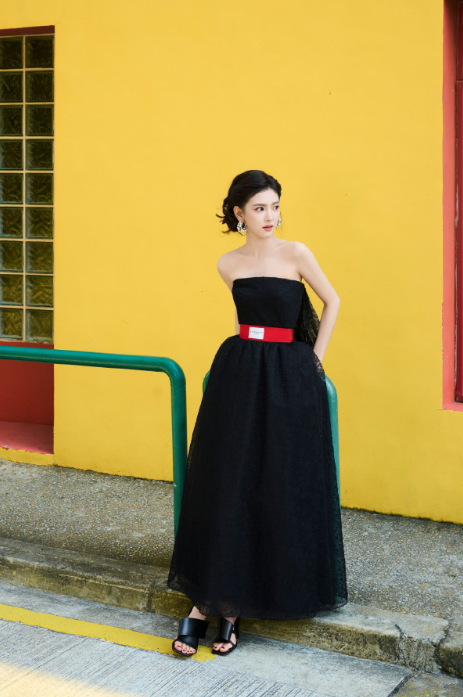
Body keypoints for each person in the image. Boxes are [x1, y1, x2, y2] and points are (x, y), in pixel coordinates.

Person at [167, 169, 348, 656]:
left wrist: (314, 361)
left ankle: (229, 611)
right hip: (239, 371)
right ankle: (212, 606)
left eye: (275, 206)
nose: (270, 216)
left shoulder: (296, 253)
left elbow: (332, 301)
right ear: (239, 213)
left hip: (289, 375)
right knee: (230, 482)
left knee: (276, 480)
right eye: (260, 208)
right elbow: (242, 322)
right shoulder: (227, 263)